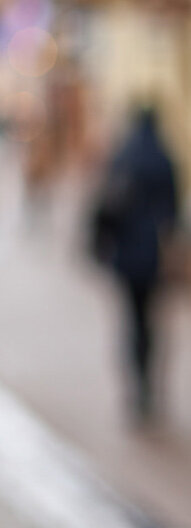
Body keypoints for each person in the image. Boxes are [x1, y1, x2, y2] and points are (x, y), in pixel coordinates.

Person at [91, 104, 179, 420]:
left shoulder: (124, 155)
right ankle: (148, 386)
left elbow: (106, 204)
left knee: (132, 320)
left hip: (126, 256)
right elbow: (173, 213)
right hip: (153, 256)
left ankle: (136, 386)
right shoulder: (163, 159)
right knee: (149, 321)